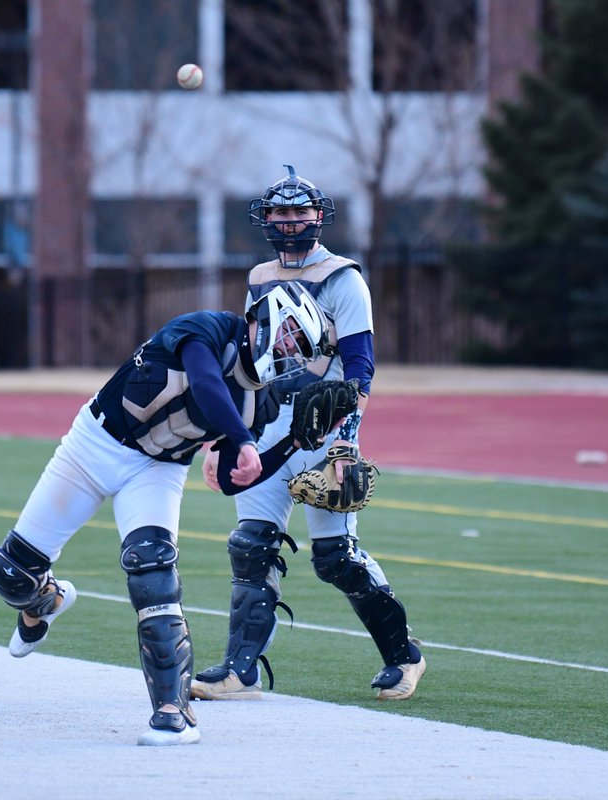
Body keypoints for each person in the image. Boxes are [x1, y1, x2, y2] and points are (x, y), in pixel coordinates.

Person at [0, 281, 329, 746]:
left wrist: (289, 443)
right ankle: (42, 603)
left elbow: (231, 477)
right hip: (95, 443)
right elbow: (206, 383)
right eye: (289, 334)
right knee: (10, 573)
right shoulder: (208, 328)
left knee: (152, 571)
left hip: (158, 469)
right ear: (265, 316)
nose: (289, 350)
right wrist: (245, 440)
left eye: (300, 348)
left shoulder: (261, 400)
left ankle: (173, 711)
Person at [191, 165, 426, 703]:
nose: (291, 222)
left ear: (319, 217)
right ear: (266, 217)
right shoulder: (257, 277)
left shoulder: (344, 278)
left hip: (324, 426)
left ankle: (403, 656)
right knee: (250, 546)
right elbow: (249, 365)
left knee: (335, 557)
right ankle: (238, 671)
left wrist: (344, 442)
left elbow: (360, 368)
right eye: (281, 212)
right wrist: (222, 436)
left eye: (301, 212)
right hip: (267, 424)